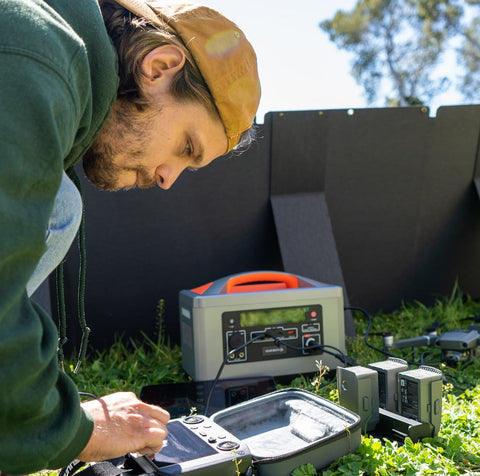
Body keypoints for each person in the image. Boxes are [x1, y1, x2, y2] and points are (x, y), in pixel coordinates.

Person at [0, 0, 260, 473]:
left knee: (61, 204)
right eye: (186, 147)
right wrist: (74, 429)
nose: (167, 179)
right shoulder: (38, 52)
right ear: (159, 66)